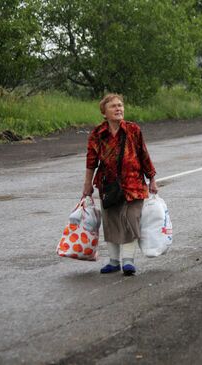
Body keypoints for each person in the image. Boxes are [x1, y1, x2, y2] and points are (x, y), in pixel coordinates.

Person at [82, 93, 158, 276]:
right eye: (113, 106)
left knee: (131, 219)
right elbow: (91, 161)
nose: (118, 109)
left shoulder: (133, 130)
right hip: (108, 185)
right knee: (112, 222)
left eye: (120, 105)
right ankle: (114, 261)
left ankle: (128, 261)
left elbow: (144, 155)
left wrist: (152, 179)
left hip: (134, 184)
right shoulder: (97, 134)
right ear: (104, 113)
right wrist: (87, 184)